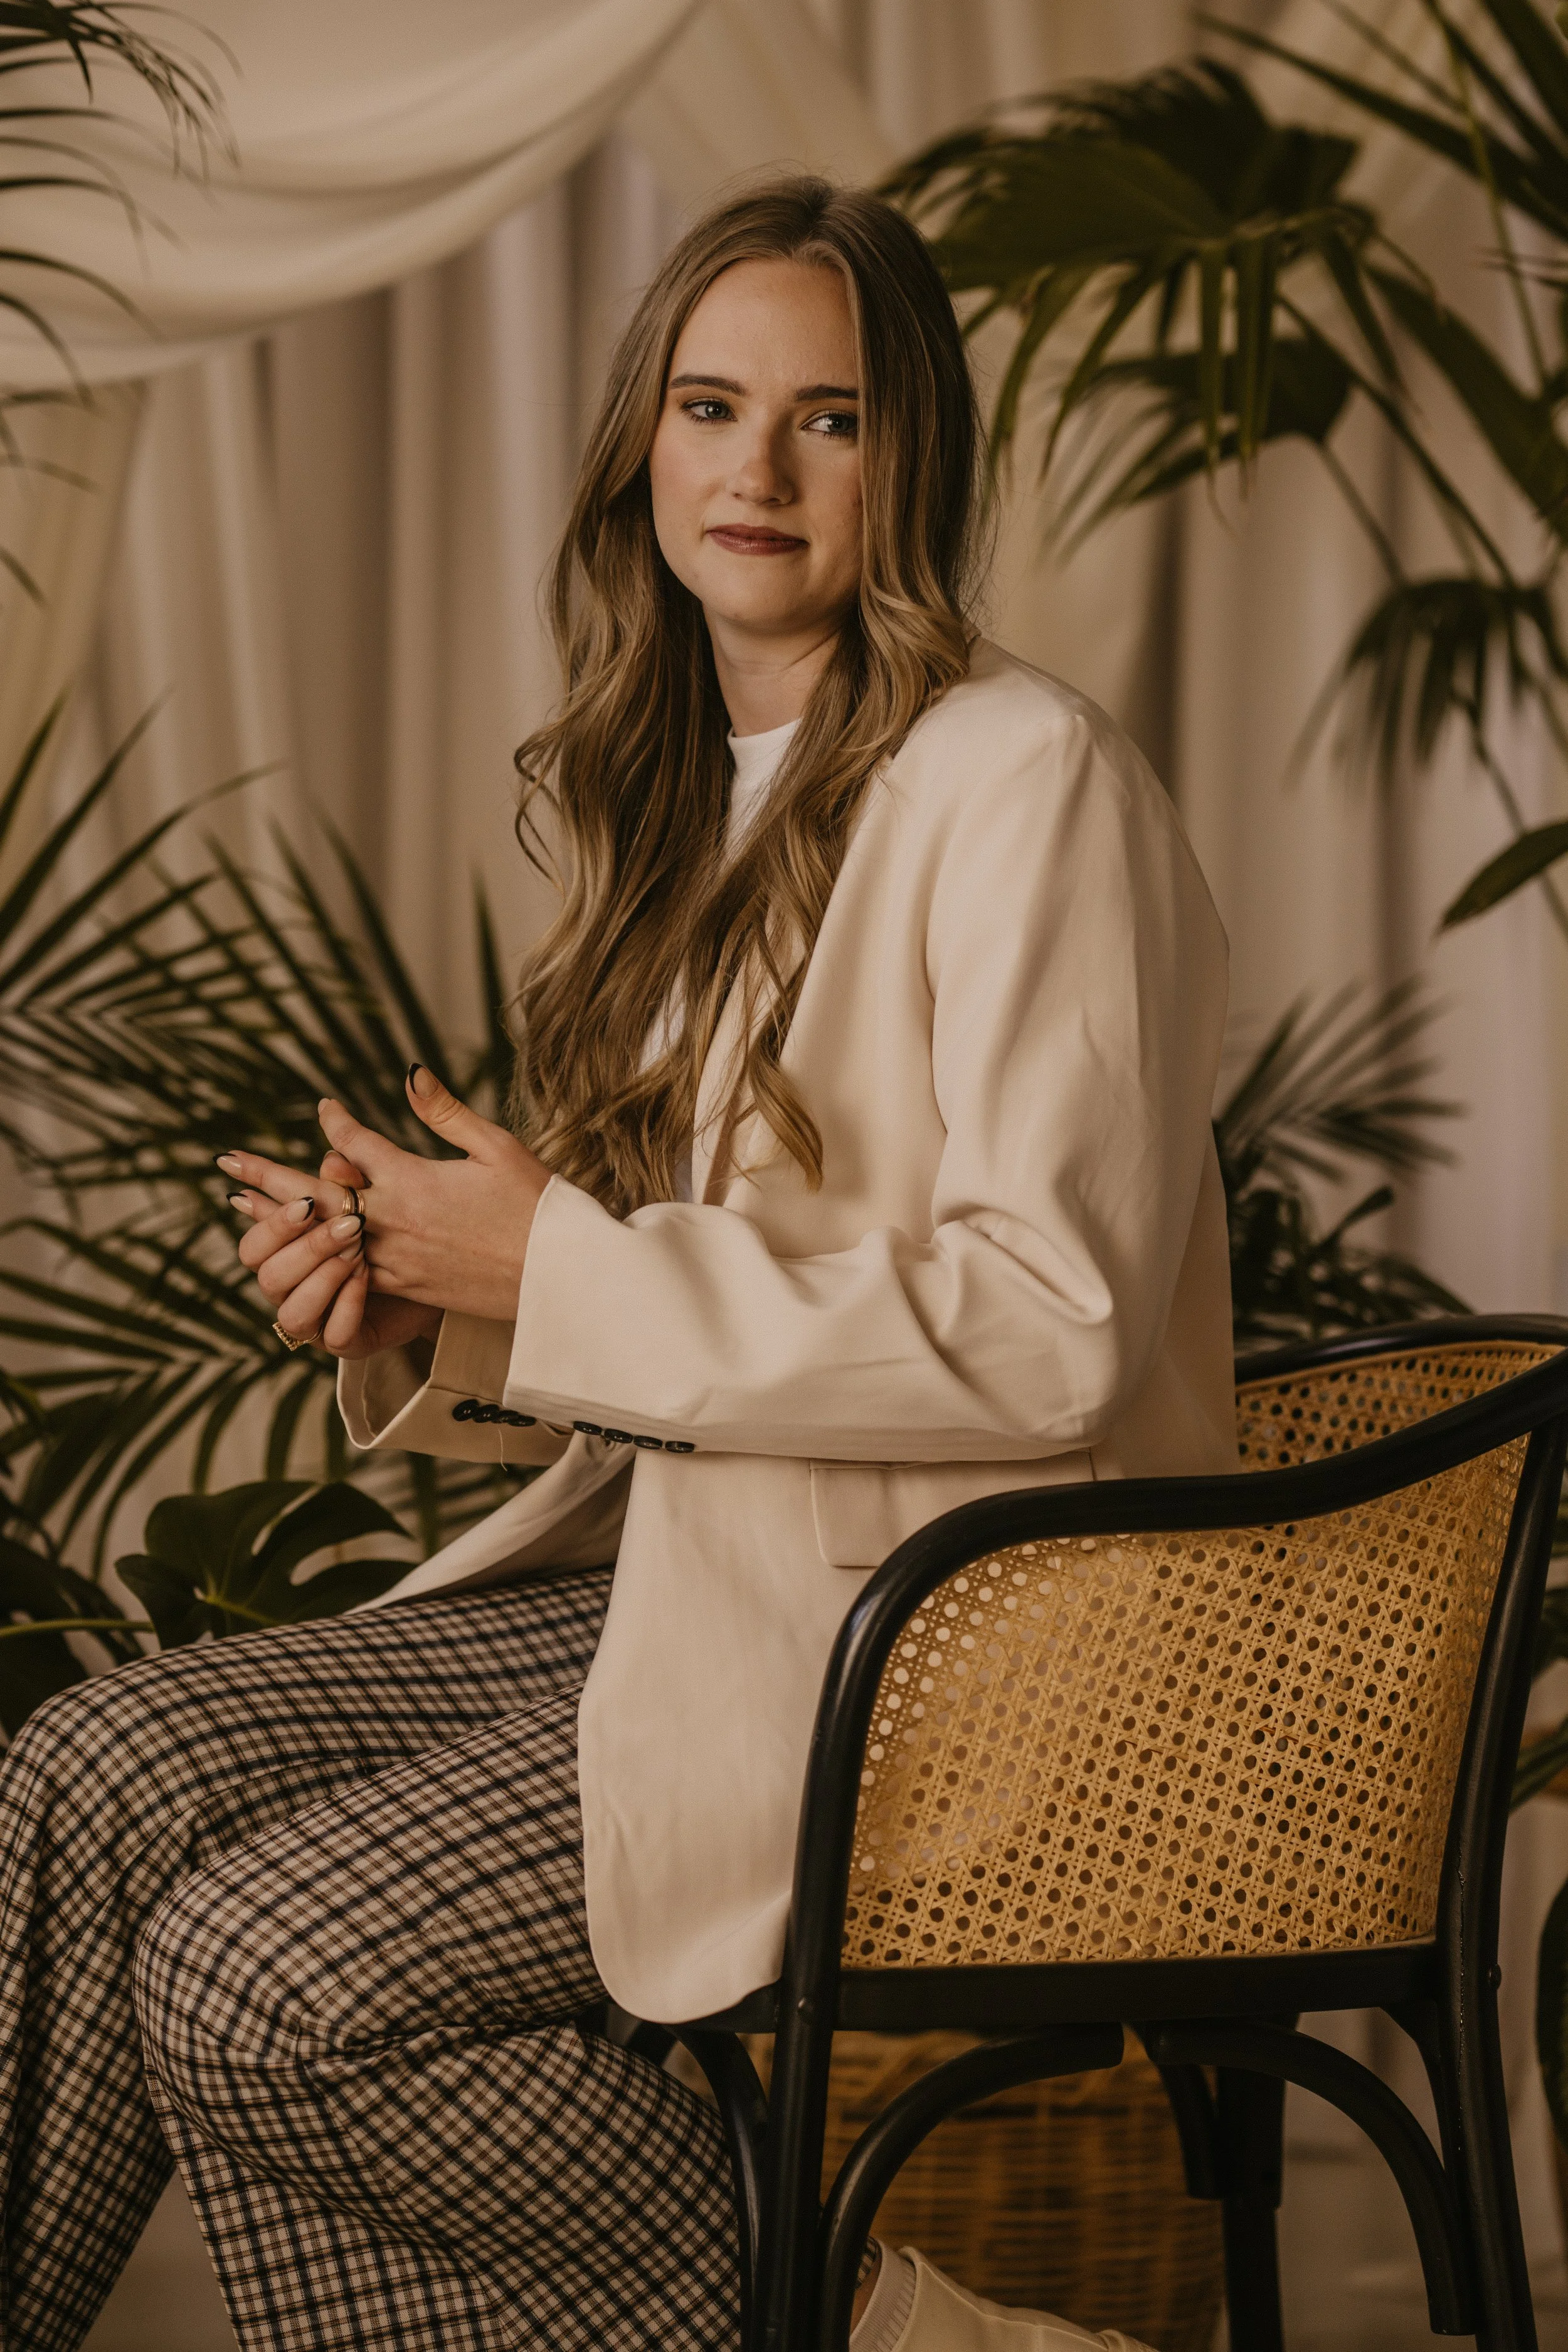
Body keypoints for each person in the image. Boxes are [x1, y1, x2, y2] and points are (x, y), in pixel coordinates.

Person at [0, 177, 1234, 2352]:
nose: (755, 469)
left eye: (828, 420)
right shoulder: (699, 799)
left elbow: (1044, 1329)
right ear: (638, 448)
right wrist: (447, 1300)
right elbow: (698, 1323)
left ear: (911, 455)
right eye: (709, 404)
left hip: (946, 1642)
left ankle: (869, 2326)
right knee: (85, 1778)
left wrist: (554, 1261)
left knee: (258, 1967)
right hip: (717, 1574)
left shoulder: (1022, 773)